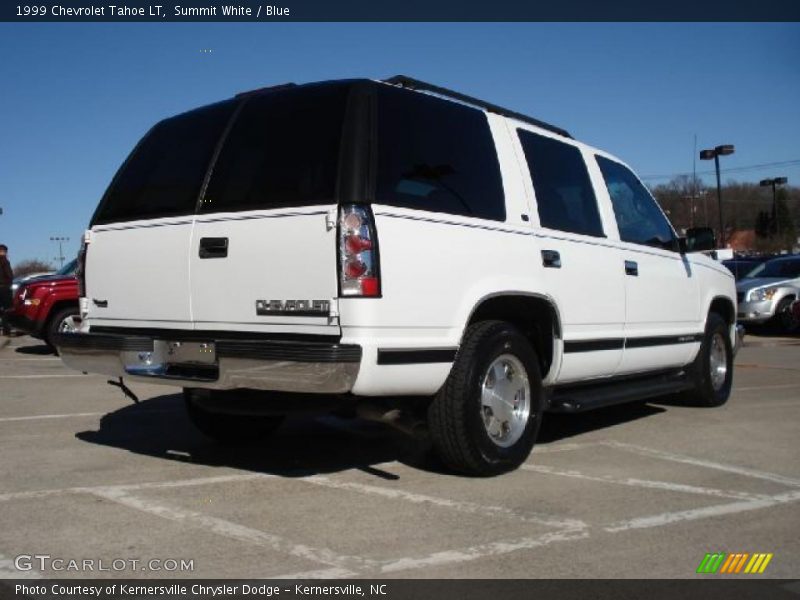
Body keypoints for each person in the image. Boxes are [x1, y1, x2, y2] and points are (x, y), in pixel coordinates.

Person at [0, 244, 13, 337]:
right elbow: (9, 275)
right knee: (7, 309)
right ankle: (6, 330)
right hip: (4, 287)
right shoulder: (4, 261)